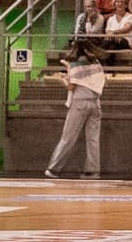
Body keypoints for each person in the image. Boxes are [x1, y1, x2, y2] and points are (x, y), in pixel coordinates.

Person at [45, 42, 106, 178]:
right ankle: (93, 171)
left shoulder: (76, 64)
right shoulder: (97, 63)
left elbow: (71, 86)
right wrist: (68, 68)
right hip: (96, 104)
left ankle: (53, 168)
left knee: (68, 137)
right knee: (93, 139)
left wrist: (63, 79)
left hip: (80, 103)